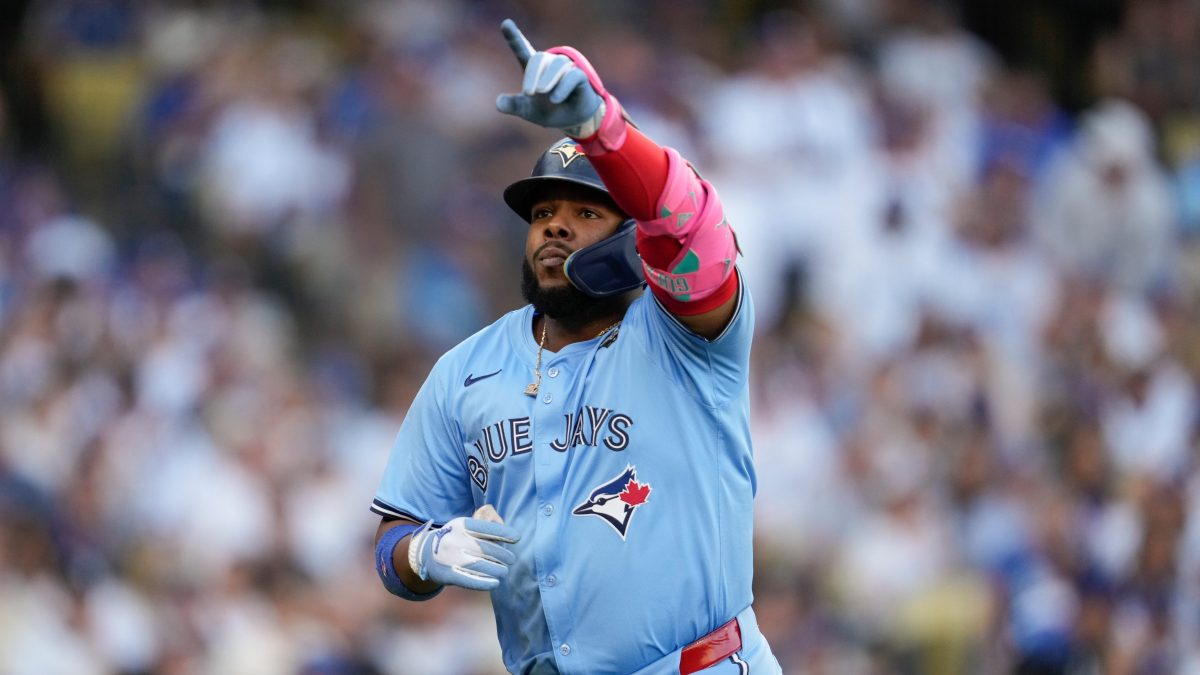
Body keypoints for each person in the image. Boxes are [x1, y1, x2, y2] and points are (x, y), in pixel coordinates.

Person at [371, 19, 782, 674]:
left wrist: (601, 126)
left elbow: (688, 219)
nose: (554, 224)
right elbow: (393, 536)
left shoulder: (686, 333)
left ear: (632, 239)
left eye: (586, 212)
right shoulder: (465, 371)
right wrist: (423, 553)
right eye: (541, 214)